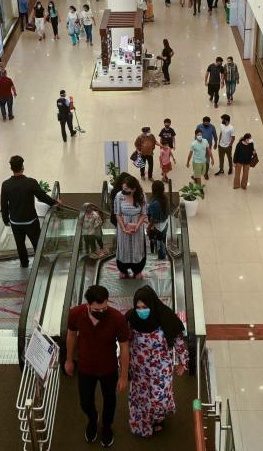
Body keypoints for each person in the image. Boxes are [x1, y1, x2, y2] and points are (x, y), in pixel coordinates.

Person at [65, 285, 130, 447]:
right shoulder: (76, 314)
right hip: (86, 368)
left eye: (104, 308)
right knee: (85, 402)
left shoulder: (117, 318)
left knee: (110, 401)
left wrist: (123, 376)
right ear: (88, 305)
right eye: (96, 309)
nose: (101, 312)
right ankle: (93, 420)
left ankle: (107, 427)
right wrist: (68, 360)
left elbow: (124, 347)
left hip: (108, 368)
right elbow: (71, 335)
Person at [126, 285, 187, 437]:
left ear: (152, 304)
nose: (141, 310)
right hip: (139, 369)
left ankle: (158, 418)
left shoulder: (166, 317)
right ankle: (145, 423)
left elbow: (178, 340)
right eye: (138, 307)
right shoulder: (130, 318)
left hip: (161, 368)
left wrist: (183, 361)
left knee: (160, 397)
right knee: (142, 398)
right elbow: (124, 341)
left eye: (145, 307)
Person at [0, 155, 59, 267]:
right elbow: (42, 197)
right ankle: (40, 261)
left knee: (20, 244)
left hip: (15, 222)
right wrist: (55, 203)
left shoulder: (6, 184)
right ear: (22, 167)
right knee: (37, 242)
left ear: (11, 168)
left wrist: (5, 219)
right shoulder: (30, 182)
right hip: (30, 221)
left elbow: (4, 204)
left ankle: (24, 263)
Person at [114, 175, 148, 278]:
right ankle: (123, 270)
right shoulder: (119, 196)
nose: (124, 191)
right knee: (123, 248)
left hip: (137, 227)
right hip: (123, 227)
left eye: (127, 189)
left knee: (137, 249)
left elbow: (143, 213)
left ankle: (137, 270)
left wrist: (137, 226)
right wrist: (123, 228)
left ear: (134, 189)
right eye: (123, 188)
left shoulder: (141, 196)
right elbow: (117, 213)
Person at [146, 181, 170, 259]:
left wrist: (149, 227)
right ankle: (162, 253)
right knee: (162, 239)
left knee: (155, 240)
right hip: (164, 225)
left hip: (156, 228)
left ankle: (156, 252)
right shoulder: (165, 199)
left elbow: (153, 219)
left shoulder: (154, 203)